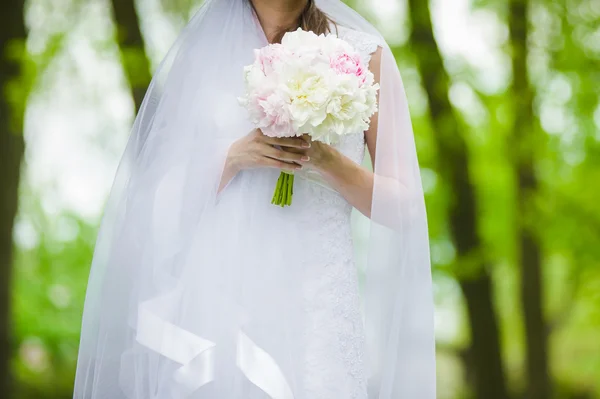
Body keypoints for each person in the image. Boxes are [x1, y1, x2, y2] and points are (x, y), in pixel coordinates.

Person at [73, 0, 436, 398]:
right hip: (220, 303)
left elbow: (404, 208)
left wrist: (326, 159)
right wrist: (231, 158)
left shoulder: (363, 55)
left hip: (317, 305)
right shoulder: (204, 55)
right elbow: (158, 200)